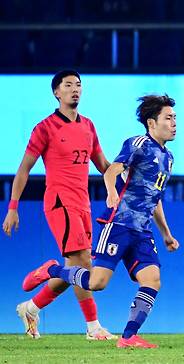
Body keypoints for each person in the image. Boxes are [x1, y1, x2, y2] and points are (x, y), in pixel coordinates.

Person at [22, 94, 180, 349]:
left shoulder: (169, 158)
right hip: (118, 225)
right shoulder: (138, 143)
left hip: (142, 230)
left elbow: (155, 197)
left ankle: (128, 337)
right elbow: (113, 169)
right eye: (168, 118)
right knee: (97, 283)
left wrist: (166, 234)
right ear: (152, 123)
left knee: (152, 279)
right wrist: (111, 191)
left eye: (175, 118)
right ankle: (51, 271)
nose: (174, 123)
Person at [3, 70, 113, 340]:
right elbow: (24, 169)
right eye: (68, 85)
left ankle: (32, 306)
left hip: (83, 204)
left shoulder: (89, 126)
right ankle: (93, 327)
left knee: (74, 270)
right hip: (60, 203)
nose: (75, 89)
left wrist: (126, 174)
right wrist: (13, 207)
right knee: (84, 264)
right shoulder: (45, 128)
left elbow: (103, 166)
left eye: (78, 85)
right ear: (56, 92)